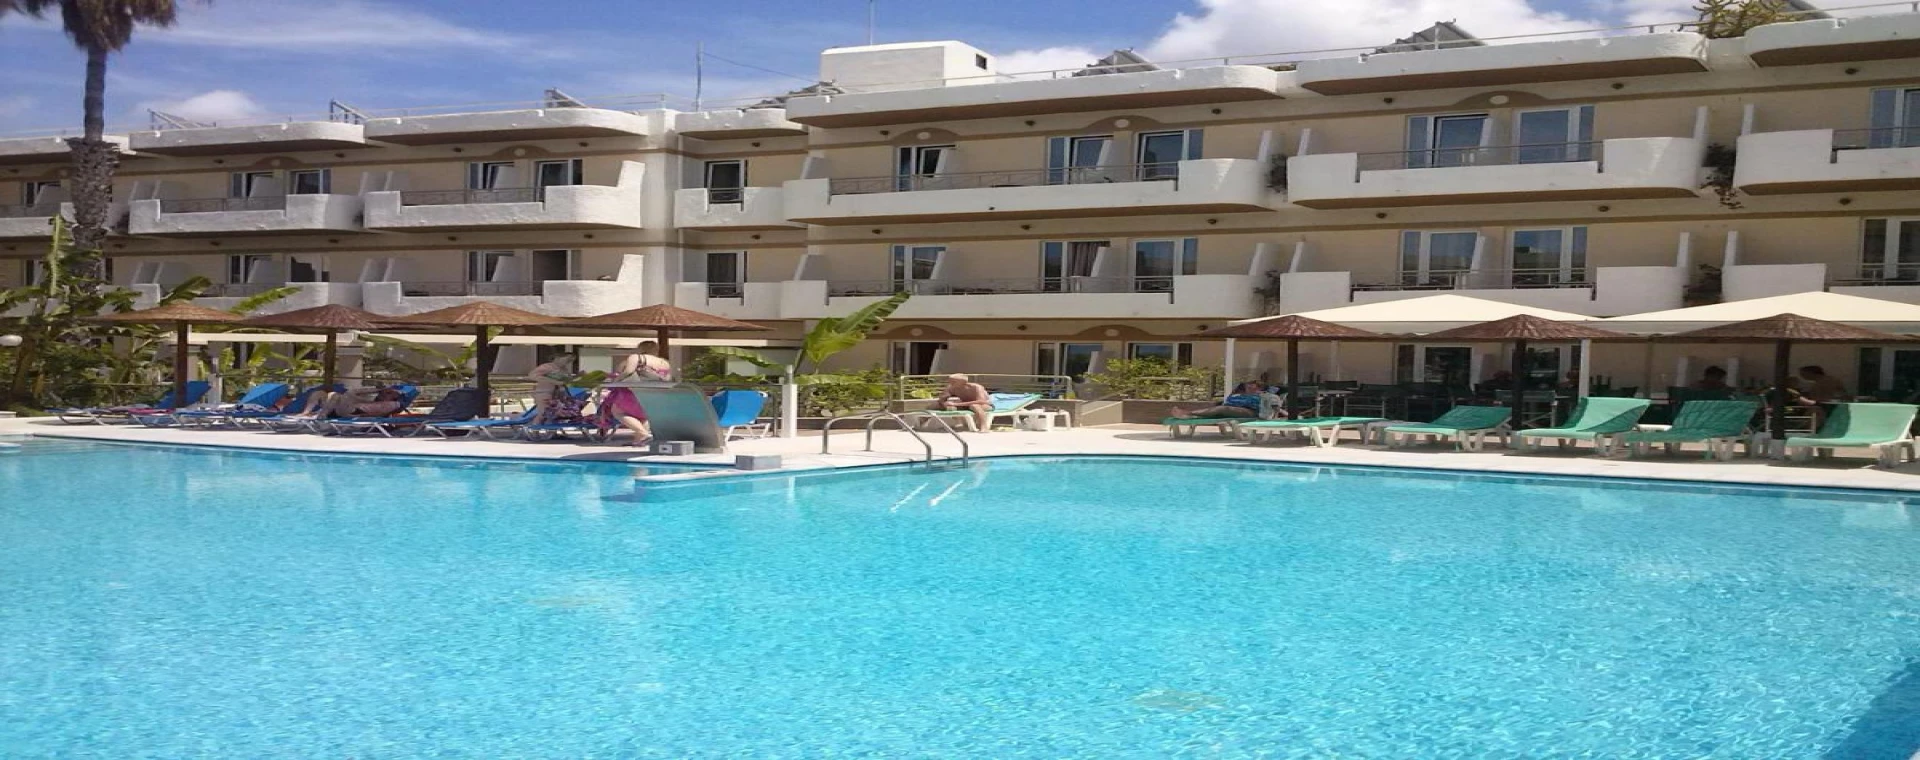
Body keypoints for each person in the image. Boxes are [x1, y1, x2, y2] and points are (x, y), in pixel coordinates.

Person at [599, 341, 673, 446]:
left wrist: (616, 380)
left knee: (618, 411)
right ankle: (639, 440)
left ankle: (644, 434)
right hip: (655, 393)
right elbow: (668, 378)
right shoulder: (664, 362)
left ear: (641, 348)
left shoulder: (636, 357)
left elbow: (628, 371)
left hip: (635, 390)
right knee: (644, 415)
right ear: (656, 349)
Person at [1171, 382, 1267, 420]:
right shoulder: (1240, 394)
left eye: (1253, 385)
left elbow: (1253, 404)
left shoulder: (1260, 395)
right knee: (1218, 409)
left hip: (1251, 411)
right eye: (1248, 385)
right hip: (1236, 409)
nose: (1250, 386)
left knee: (1222, 409)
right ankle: (1192, 416)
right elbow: (1229, 400)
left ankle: (1188, 413)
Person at [528, 353, 575, 425]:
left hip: (558, 394)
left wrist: (578, 376)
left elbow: (567, 381)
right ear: (558, 358)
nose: (568, 362)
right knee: (543, 413)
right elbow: (532, 375)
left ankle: (549, 430)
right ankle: (534, 428)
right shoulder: (547, 367)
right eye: (567, 359)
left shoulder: (564, 370)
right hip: (544, 392)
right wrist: (554, 381)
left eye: (570, 361)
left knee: (554, 414)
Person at [316, 386, 406, 418]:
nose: (385, 394)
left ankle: (323, 413)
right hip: (345, 407)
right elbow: (358, 391)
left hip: (351, 411)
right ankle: (323, 413)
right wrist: (378, 389)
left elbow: (377, 414)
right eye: (386, 392)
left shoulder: (391, 404)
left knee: (336, 395)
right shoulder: (374, 399)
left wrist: (361, 416)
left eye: (389, 393)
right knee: (341, 395)